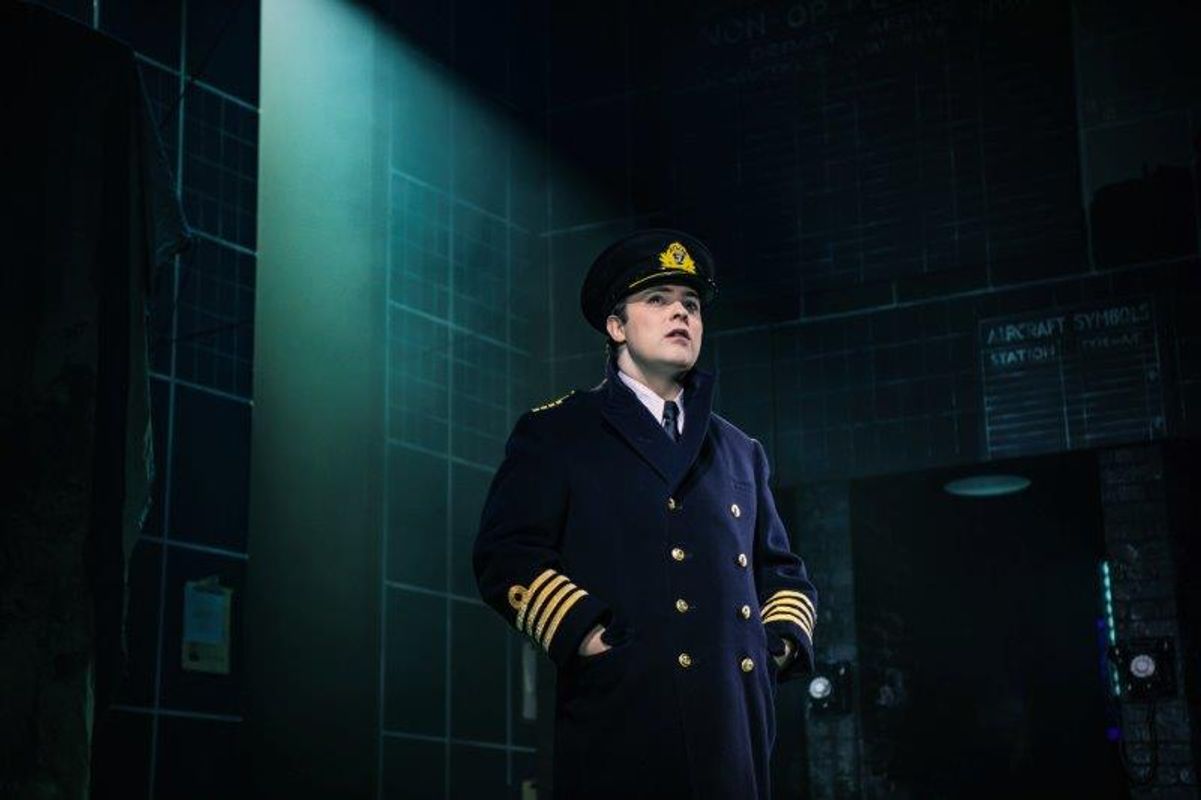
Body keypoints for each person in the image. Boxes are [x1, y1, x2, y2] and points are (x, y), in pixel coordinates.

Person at [473, 229, 818, 799]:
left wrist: (774, 643)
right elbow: (505, 555)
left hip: (734, 726)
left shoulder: (740, 449)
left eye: (691, 304)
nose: (680, 313)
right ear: (616, 327)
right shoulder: (559, 432)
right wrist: (588, 636)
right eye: (657, 300)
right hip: (625, 717)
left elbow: (782, 570)